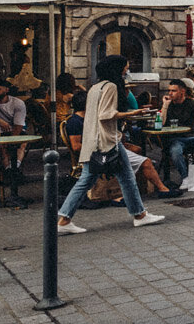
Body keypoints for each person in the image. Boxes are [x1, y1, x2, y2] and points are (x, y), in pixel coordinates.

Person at [55, 55, 165, 233]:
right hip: (107, 140)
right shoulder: (111, 86)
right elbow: (106, 114)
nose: (127, 70)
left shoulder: (95, 87)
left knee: (93, 179)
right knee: (125, 177)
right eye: (125, 67)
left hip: (94, 140)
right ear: (117, 68)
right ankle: (139, 215)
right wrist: (133, 113)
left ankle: (65, 220)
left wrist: (131, 114)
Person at [65, 92, 173, 199]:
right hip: (99, 154)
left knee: (137, 149)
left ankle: (138, 189)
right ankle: (162, 189)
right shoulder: (75, 122)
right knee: (146, 162)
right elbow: (76, 146)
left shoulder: (90, 119)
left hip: (107, 149)